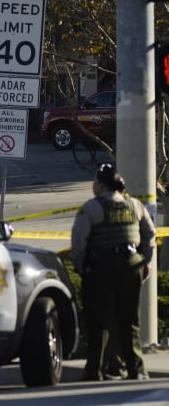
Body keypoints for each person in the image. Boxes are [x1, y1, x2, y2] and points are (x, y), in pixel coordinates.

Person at [71, 163, 156, 381]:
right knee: (129, 321)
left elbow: (78, 242)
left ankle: (94, 371)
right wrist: (145, 262)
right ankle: (136, 369)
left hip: (101, 268)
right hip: (131, 266)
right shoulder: (135, 205)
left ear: (100, 184)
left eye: (94, 182)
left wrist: (82, 269)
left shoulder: (91, 208)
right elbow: (149, 235)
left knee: (97, 321)